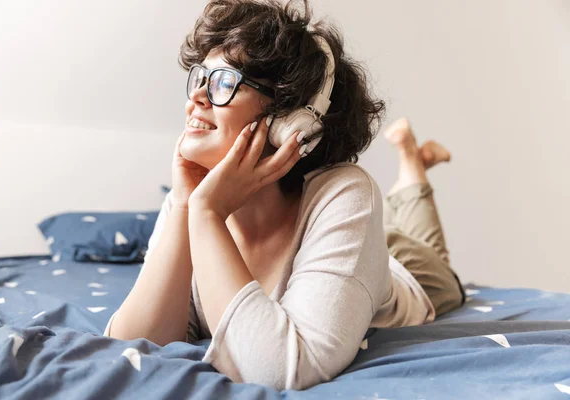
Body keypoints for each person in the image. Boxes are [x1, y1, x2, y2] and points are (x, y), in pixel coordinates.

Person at [104, 0, 465, 391]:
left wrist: (207, 213)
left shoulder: (346, 191)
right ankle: (413, 166)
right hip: (341, 245)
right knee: (388, 222)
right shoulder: (190, 199)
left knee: (431, 252)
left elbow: (281, 371)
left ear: (291, 121)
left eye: (224, 81)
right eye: (199, 77)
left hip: (406, 269)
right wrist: (188, 206)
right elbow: (132, 347)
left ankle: (412, 167)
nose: (198, 98)